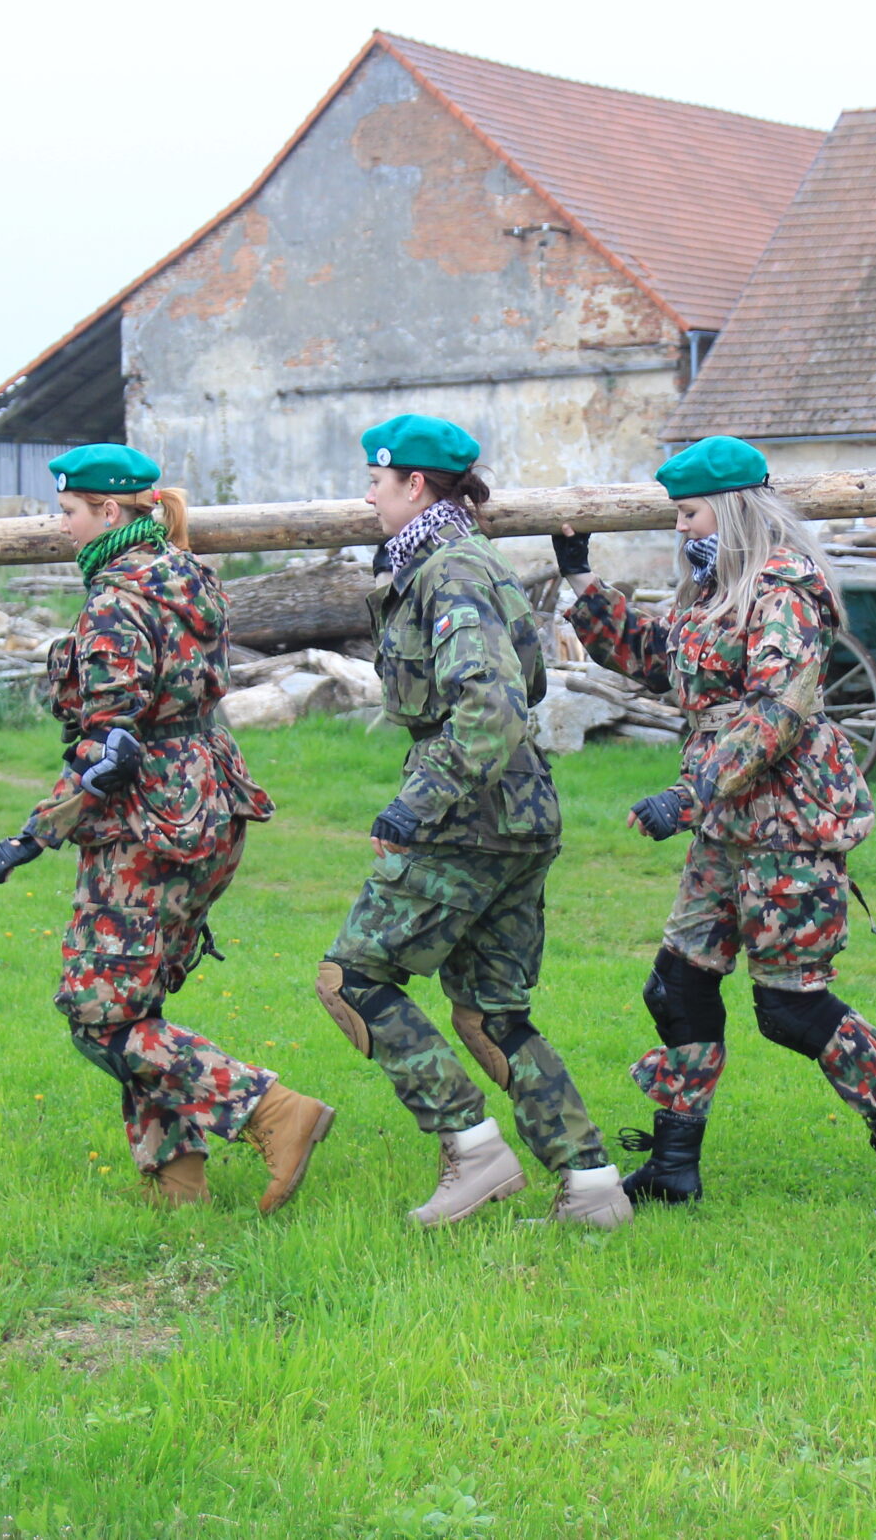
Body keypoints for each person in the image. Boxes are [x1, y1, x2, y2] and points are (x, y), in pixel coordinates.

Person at [556, 437, 876, 1214]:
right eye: (678, 514)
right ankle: (674, 1165)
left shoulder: (783, 590)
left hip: (789, 823)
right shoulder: (711, 590)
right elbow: (658, 656)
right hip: (728, 824)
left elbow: (777, 712)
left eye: (691, 513)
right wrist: (581, 578)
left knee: (791, 1006)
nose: (681, 527)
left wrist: (688, 793)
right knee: (678, 985)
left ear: (735, 510)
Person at [0, 444, 333, 1212]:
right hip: (212, 804)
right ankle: (177, 1183)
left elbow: (110, 746)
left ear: (109, 511)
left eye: (68, 511)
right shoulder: (188, 576)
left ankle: (270, 1109)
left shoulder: (115, 600)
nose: (59, 525)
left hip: (150, 823)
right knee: (135, 1005)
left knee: (98, 1016)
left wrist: (35, 834)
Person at [311, 414, 629, 1228]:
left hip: (469, 816)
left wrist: (413, 807)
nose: (368, 498)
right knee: (491, 1012)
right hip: (518, 812)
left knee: (353, 979)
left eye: (375, 483)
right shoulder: (469, 559)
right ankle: (592, 1186)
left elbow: (490, 708)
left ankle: (474, 1149)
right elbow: (526, 685)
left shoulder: (448, 571)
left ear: (414, 484)